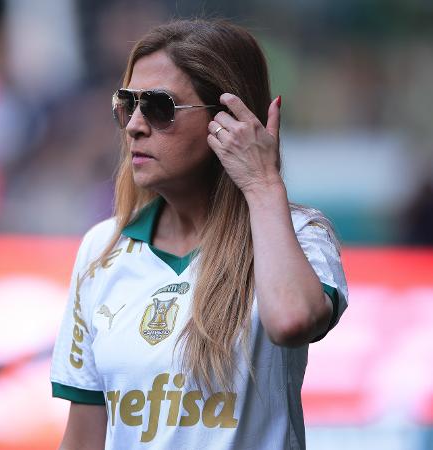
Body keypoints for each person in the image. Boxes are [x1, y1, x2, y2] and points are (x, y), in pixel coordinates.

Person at [50, 19, 348, 450]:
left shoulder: (298, 233)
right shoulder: (102, 247)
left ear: (228, 121)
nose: (134, 125)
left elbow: (292, 320)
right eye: (126, 104)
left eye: (158, 107)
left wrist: (263, 185)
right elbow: (82, 438)